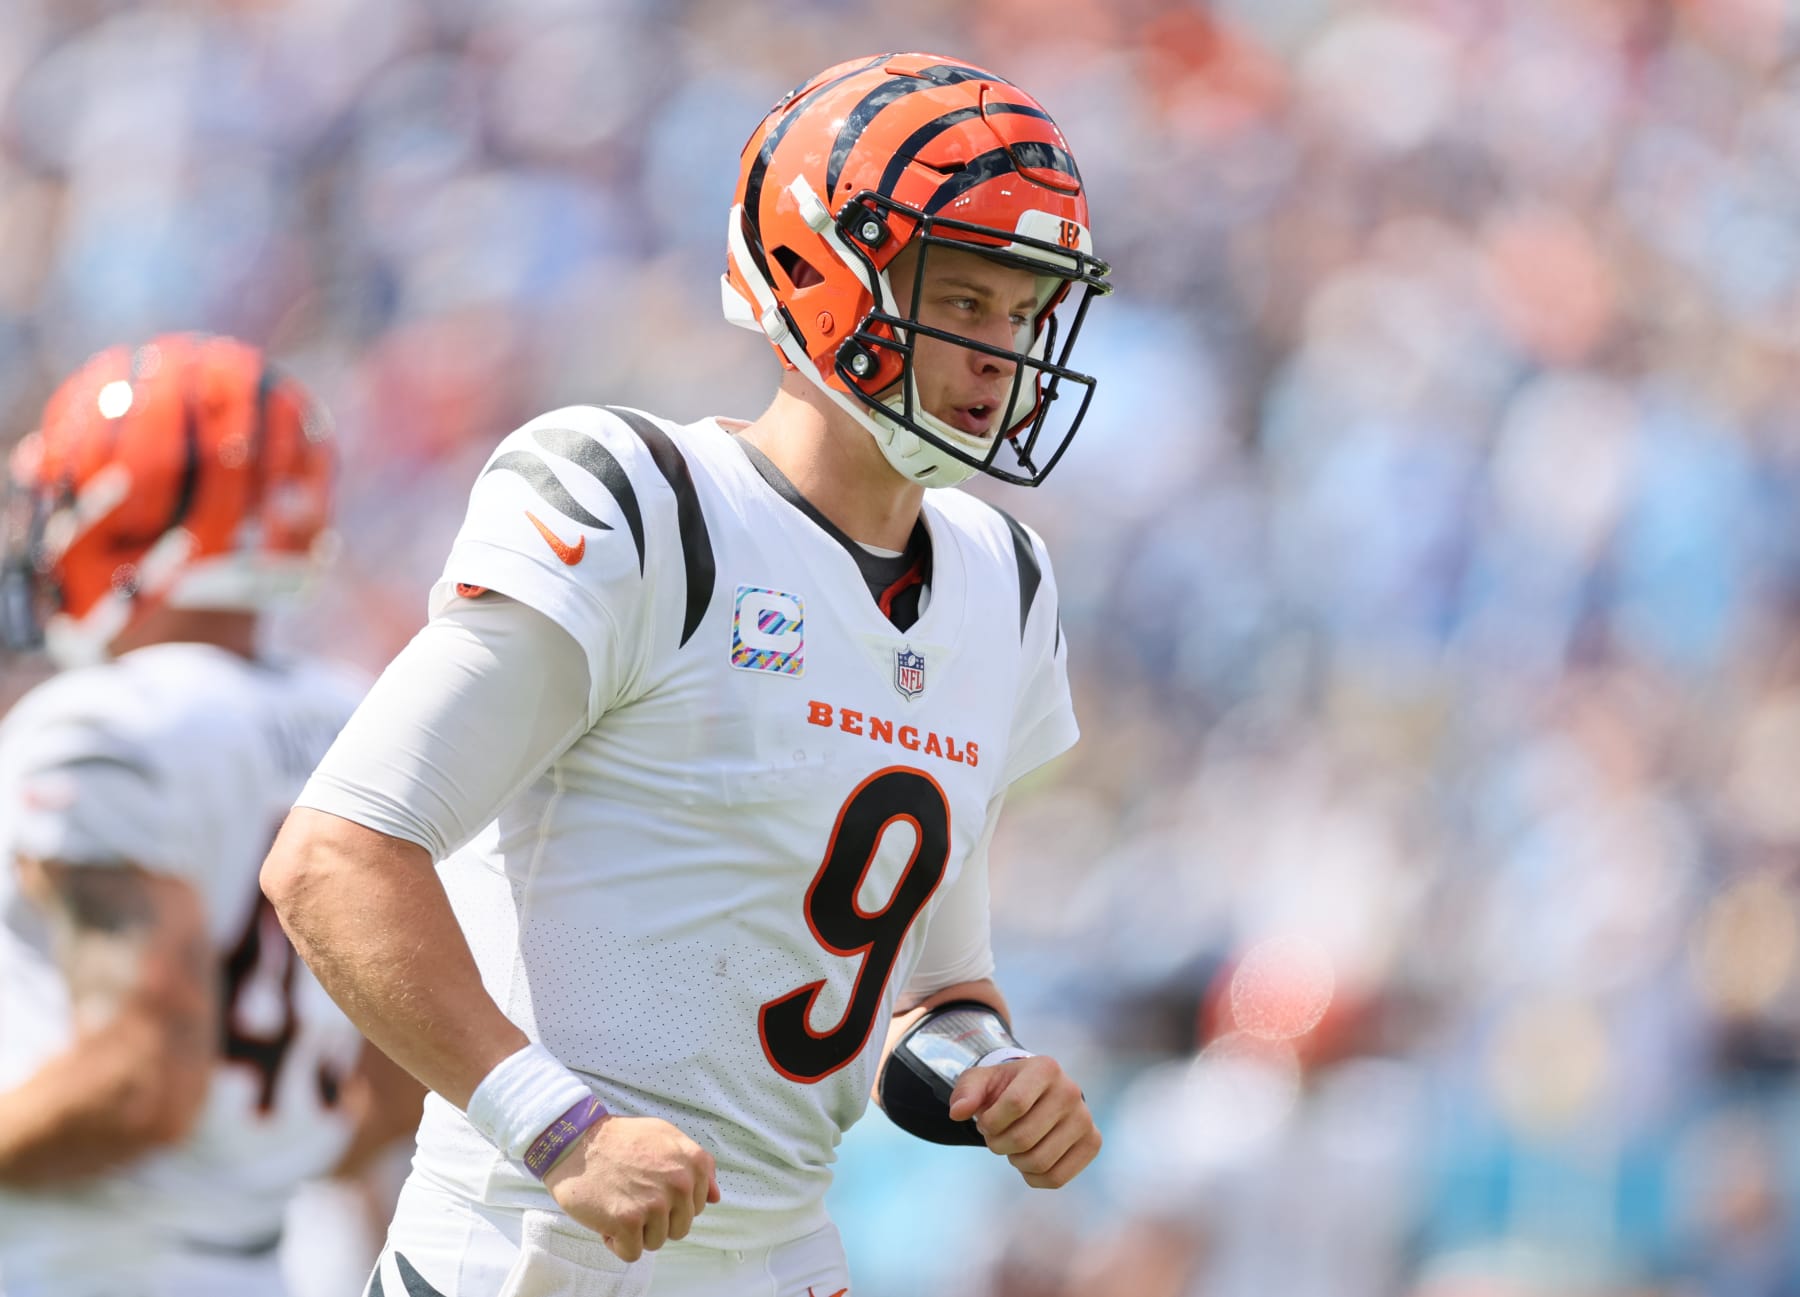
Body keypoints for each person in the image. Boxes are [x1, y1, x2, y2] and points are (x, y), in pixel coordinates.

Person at [262, 51, 1112, 1297]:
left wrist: (991, 1075)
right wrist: (563, 1131)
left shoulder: (1004, 584)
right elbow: (335, 857)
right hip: (536, 1258)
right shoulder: (648, 508)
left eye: (1025, 313)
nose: (1002, 353)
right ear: (830, 278)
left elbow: (925, 990)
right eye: (968, 302)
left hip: (783, 1263)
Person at [0, 333, 421, 1297]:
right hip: (250, 1262)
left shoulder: (104, 724)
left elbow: (139, 1079)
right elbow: (398, 1081)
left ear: (129, 506)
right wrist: (243, 1174)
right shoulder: (357, 714)